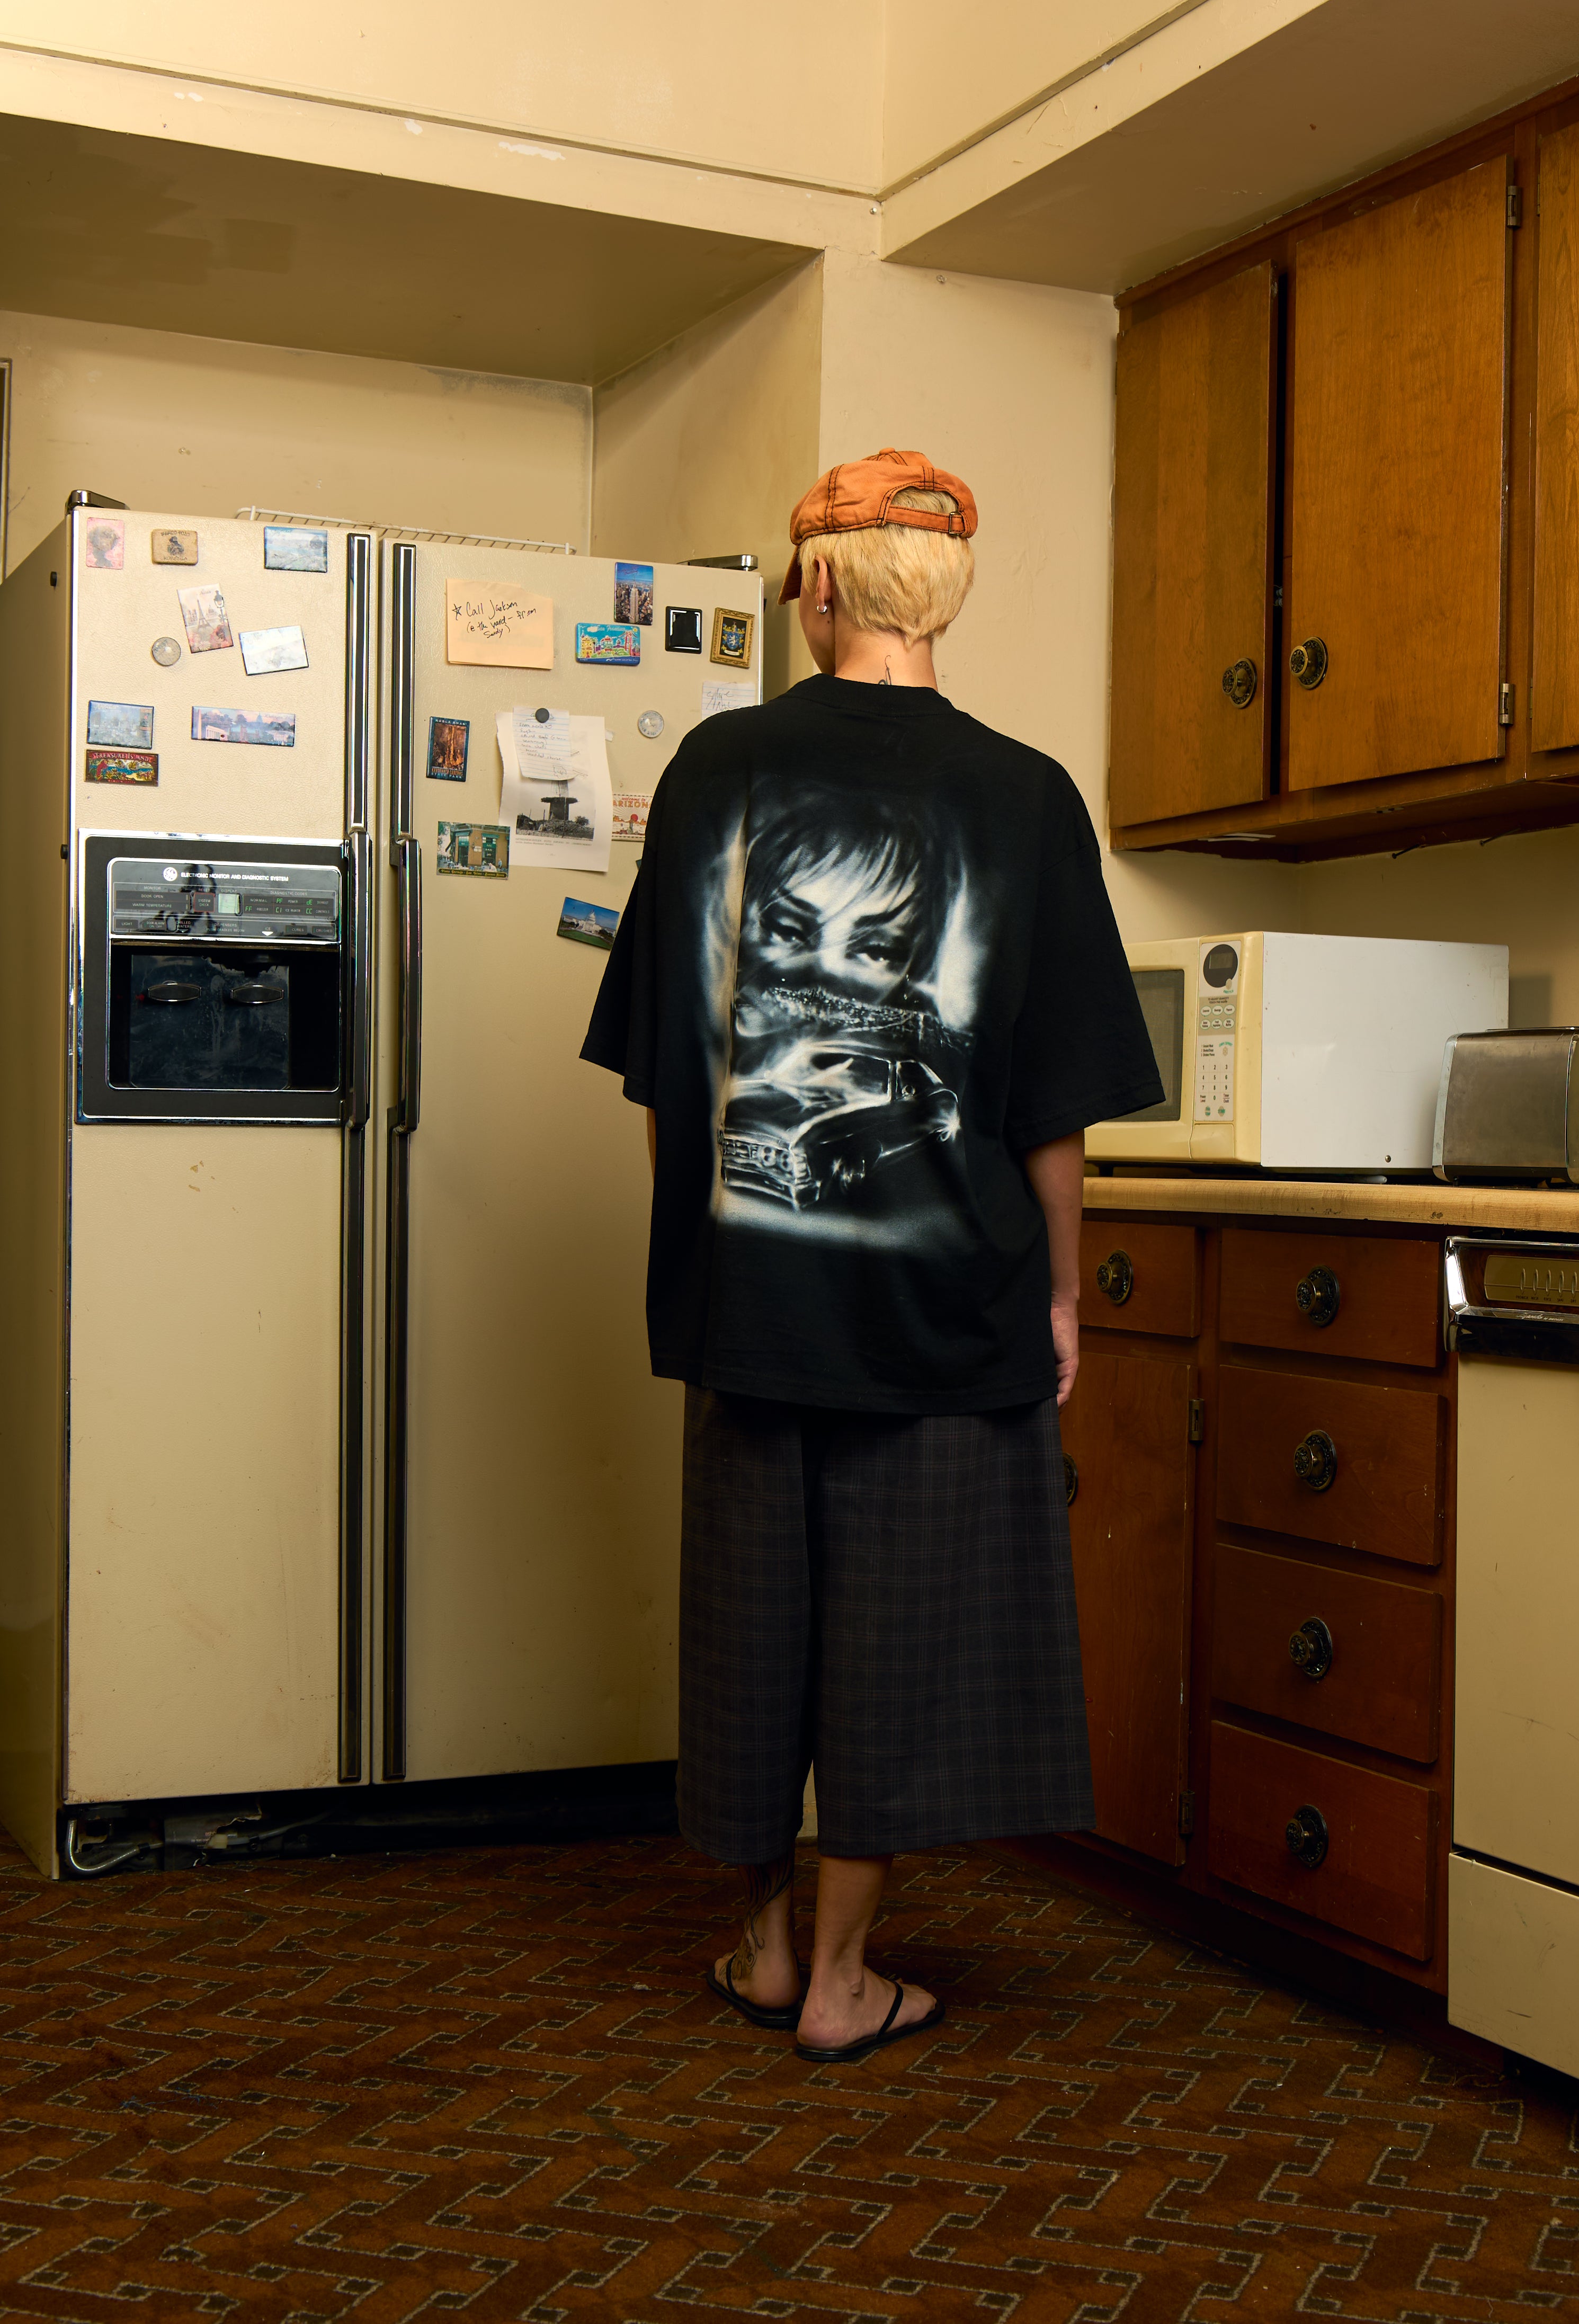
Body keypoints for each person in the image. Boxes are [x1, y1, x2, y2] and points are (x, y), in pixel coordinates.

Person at [581, 448, 1162, 2062]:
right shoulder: (1025, 792)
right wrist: (1062, 1292)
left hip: (751, 1296)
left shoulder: (715, 767)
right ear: (941, 596)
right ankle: (844, 1977)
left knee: (750, 1627)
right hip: (946, 1300)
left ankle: (766, 1950)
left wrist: (710, 1251)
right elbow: (1053, 1104)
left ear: (819, 582)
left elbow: (665, 1069)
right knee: (902, 1639)